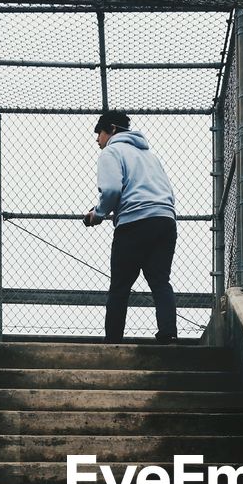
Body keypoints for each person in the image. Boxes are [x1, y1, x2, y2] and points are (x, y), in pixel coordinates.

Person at [83, 110, 178, 344]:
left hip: (134, 223)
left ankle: (113, 341)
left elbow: (112, 189)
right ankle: (168, 334)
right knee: (159, 281)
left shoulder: (111, 151)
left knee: (120, 286)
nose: (97, 140)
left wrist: (98, 214)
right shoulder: (150, 156)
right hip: (165, 220)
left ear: (112, 130)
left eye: (100, 133)